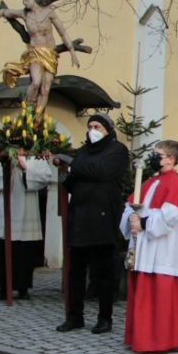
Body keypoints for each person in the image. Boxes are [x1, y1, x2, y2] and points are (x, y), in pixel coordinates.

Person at [58, 112, 129, 334]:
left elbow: (101, 172)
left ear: (108, 129)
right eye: (90, 126)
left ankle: (105, 318)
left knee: (104, 272)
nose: (93, 130)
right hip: (80, 216)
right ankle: (74, 316)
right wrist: (65, 174)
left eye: (98, 126)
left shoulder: (117, 151)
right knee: (76, 271)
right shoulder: (84, 152)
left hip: (103, 218)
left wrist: (74, 164)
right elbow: (73, 181)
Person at [121, 140, 178, 352]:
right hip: (147, 245)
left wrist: (143, 223)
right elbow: (131, 205)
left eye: (158, 155)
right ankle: (142, 337)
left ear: (171, 159)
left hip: (165, 249)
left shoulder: (175, 183)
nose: (154, 158)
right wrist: (131, 219)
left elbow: (170, 215)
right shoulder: (149, 182)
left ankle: (162, 339)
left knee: (161, 292)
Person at [0, 0, 81, 114]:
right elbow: (2, 12)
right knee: (36, 82)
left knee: (46, 89)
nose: (24, 2)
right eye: (23, 0)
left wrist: (72, 52)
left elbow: (63, 32)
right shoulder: (24, 14)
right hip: (35, 53)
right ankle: (28, 108)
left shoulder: (49, 12)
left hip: (50, 53)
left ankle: (37, 118)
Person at [0, 153, 55, 300]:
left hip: (27, 205)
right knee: (1, 245)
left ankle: (23, 287)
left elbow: (44, 178)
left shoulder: (36, 155)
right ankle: (3, 287)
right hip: (5, 204)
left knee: (24, 248)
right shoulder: (1, 153)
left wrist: (26, 167)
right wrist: (8, 167)